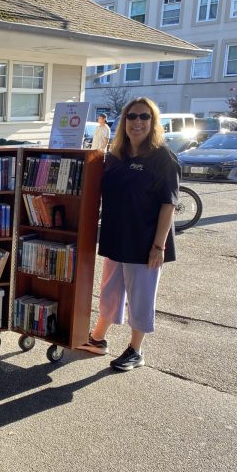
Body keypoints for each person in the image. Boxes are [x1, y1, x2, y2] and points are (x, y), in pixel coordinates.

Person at [77, 97, 179, 371]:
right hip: (116, 236)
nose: (137, 122)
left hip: (144, 241)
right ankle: (98, 338)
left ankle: (136, 350)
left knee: (140, 296)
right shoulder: (116, 156)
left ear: (153, 122)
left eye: (144, 117)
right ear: (124, 122)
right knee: (110, 290)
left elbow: (168, 205)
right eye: (132, 116)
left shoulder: (162, 158)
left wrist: (158, 247)